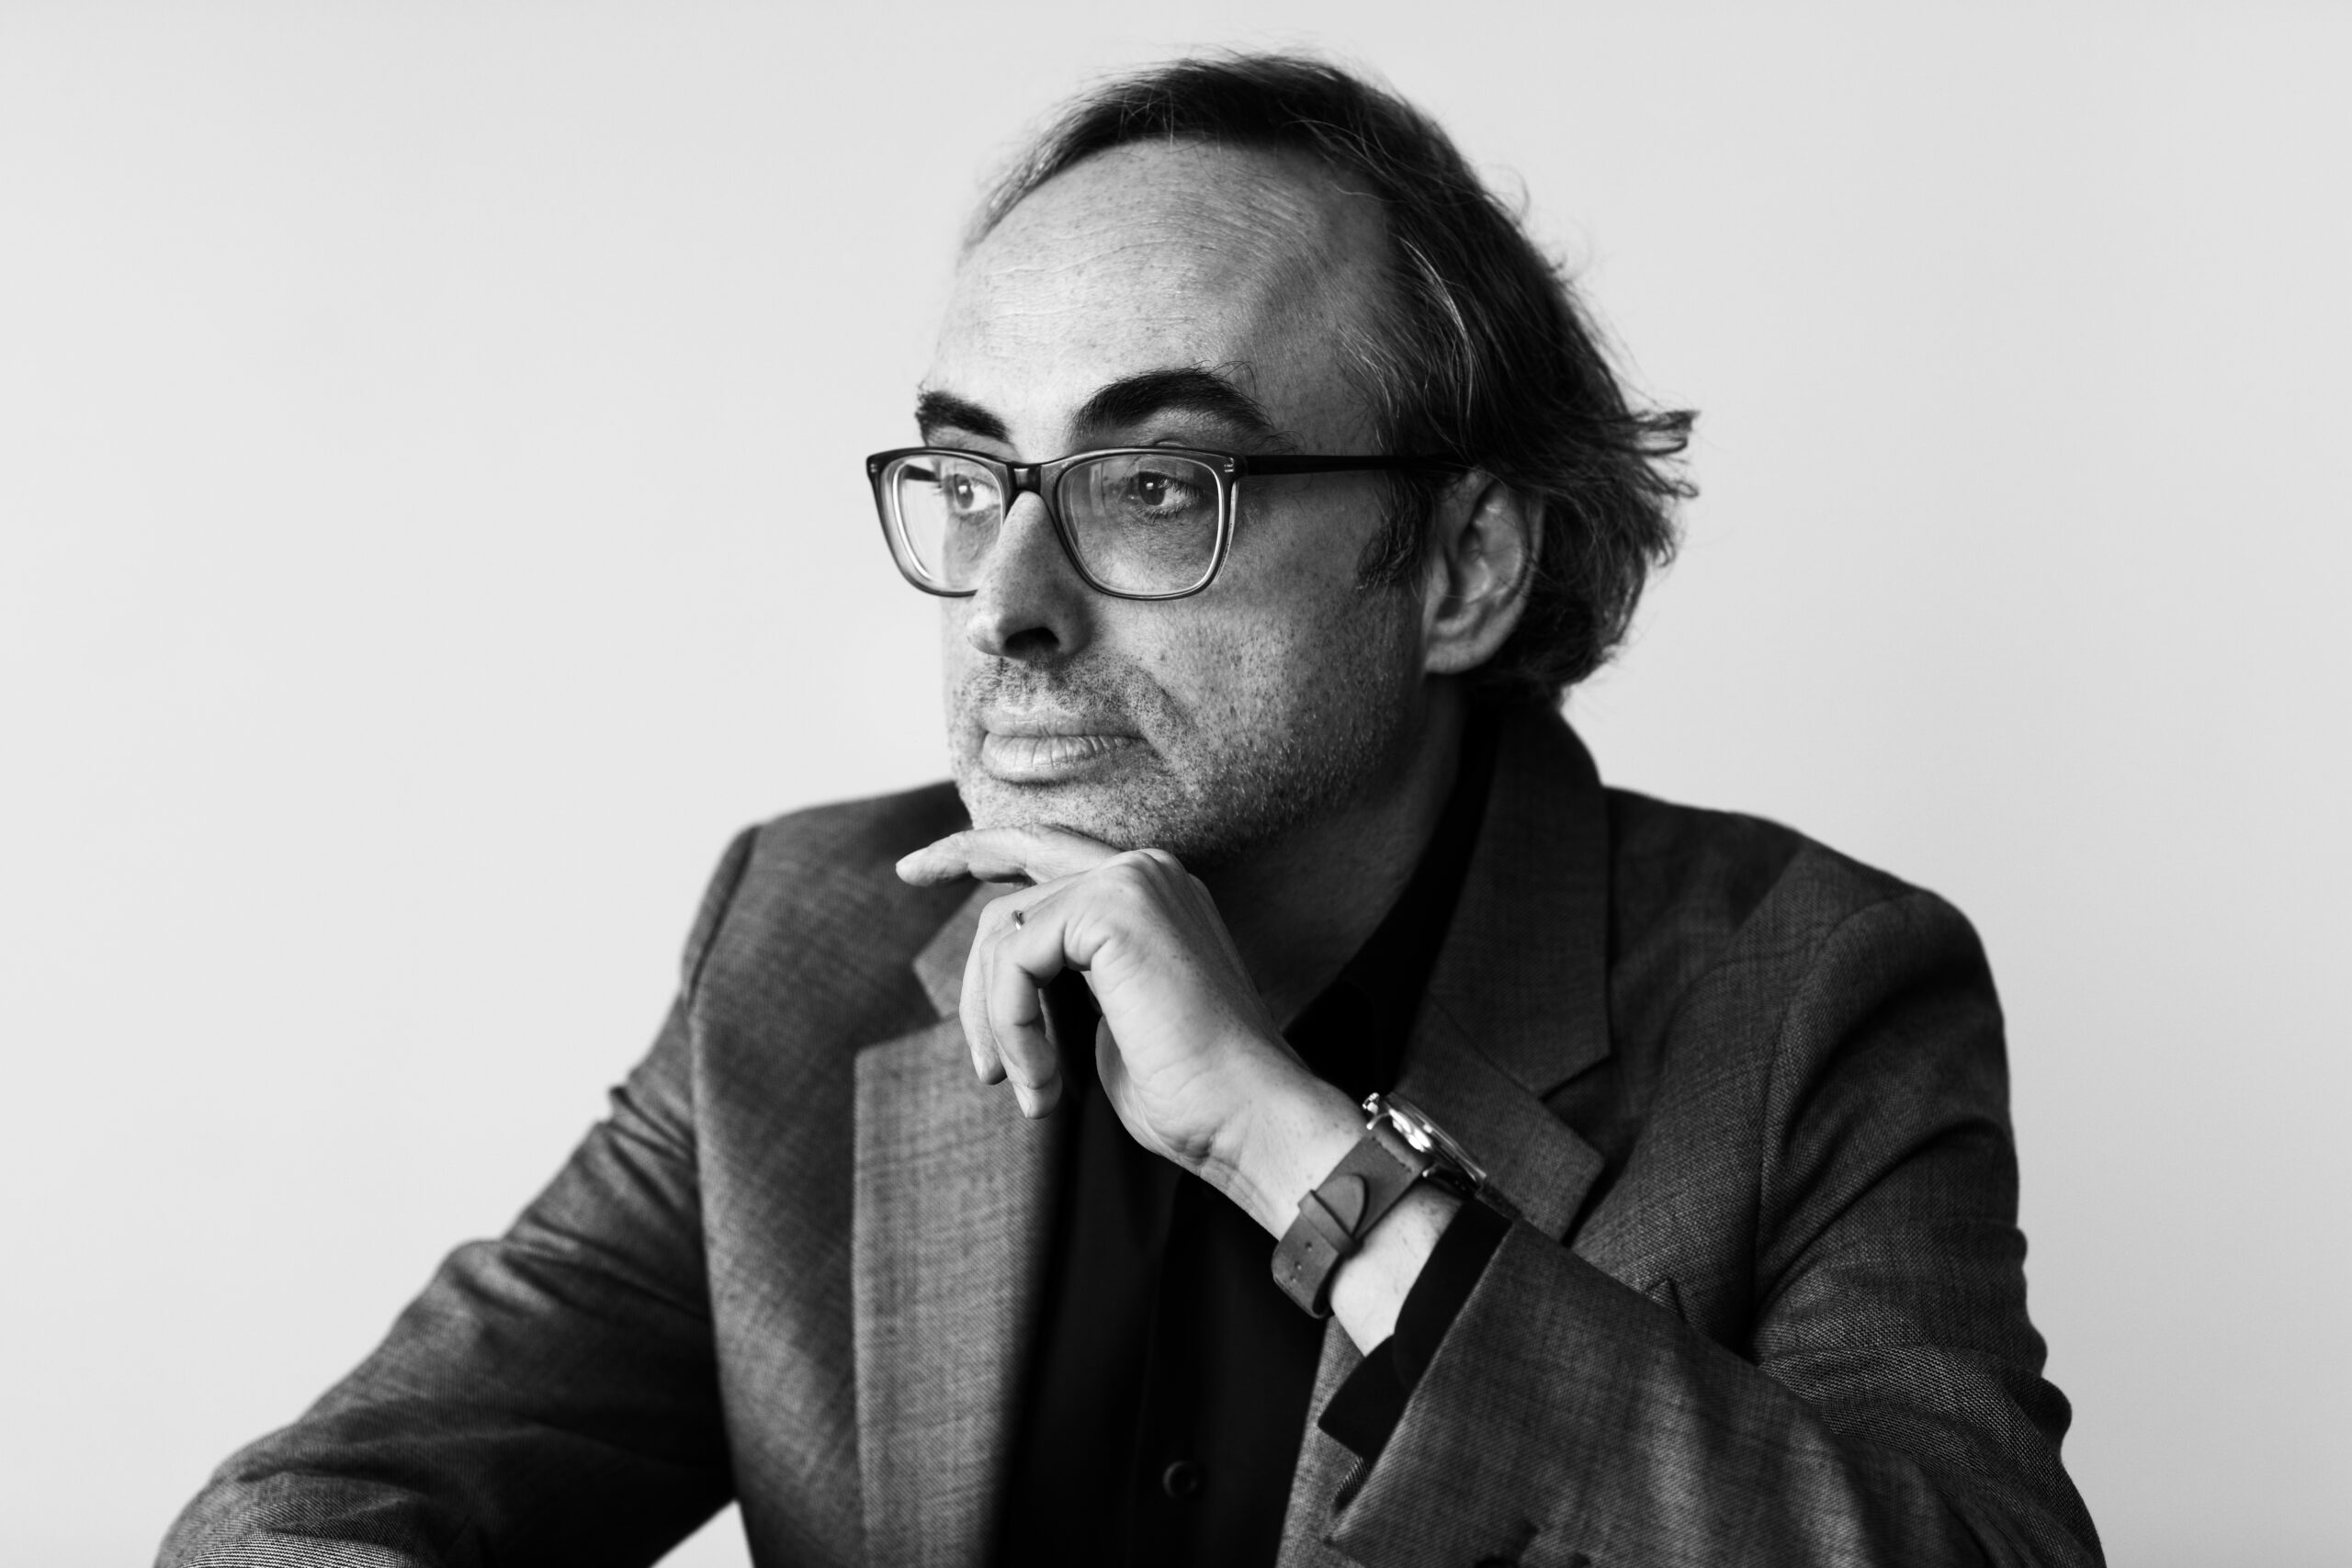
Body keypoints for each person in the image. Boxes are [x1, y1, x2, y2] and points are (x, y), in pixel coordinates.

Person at [161, 52, 2101, 1568]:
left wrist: (1309, 1167)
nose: (1006, 602)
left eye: (1157, 483)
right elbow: (295, 1521)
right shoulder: (809, 938)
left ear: (1462, 567)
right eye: (967, 470)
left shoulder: (1808, 997)